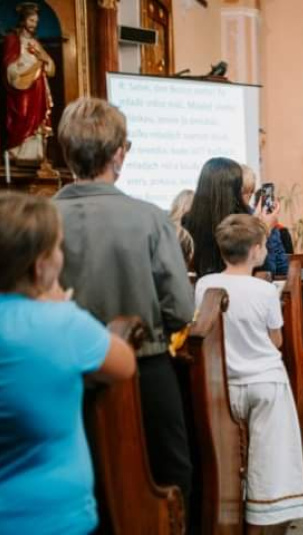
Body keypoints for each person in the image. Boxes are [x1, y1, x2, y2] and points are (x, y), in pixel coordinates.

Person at [53, 97, 196, 512]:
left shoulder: (42, 217)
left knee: (84, 485)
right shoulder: (150, 218)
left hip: (68, 372)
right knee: (169, 476)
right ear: (119, 153)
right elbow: (180, 308)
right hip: (144, 369)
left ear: (66, 151)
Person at [0, 192, 136, 534]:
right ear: (41, 265)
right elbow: (123, 363)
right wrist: (57, 302)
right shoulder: (61, 324)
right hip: (52, 517)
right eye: (57, 248)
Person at [195, 214, 303, 529]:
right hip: (265, 381)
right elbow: (277, 340)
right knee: (270, 458)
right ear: (258, 249)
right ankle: (264, 516)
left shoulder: (205, 284)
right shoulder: (263, 290)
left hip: (223, 383)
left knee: (228, 457)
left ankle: (226, 515)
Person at [183, 158, 279, 278]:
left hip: (200, 292)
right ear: (233, 190)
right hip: (239, 292)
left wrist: (254, 222)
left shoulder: (187, 221)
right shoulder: (236, 223)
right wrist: (264, 229)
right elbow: (266, 271)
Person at [2, 2, 56, 161]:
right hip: (20, 90)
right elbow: (8, 66)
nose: (34, 25)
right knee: (22, 116)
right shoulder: (12, 40)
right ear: (23, 20)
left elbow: (51, 67)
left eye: (36, 22)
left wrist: (44, 60)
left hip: (37, 90)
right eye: (31, 21)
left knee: (37, 123)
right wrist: (22, 72)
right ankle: (18, 150)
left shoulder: (36, 43)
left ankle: (35, 153)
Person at [241, 165, 289, 276]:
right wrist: (264, 228)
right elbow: (270, 269)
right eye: (245, 192)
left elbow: (280, 265)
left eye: (250, 192)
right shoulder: (239, 221)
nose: (247, 196)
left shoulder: (262, 217)